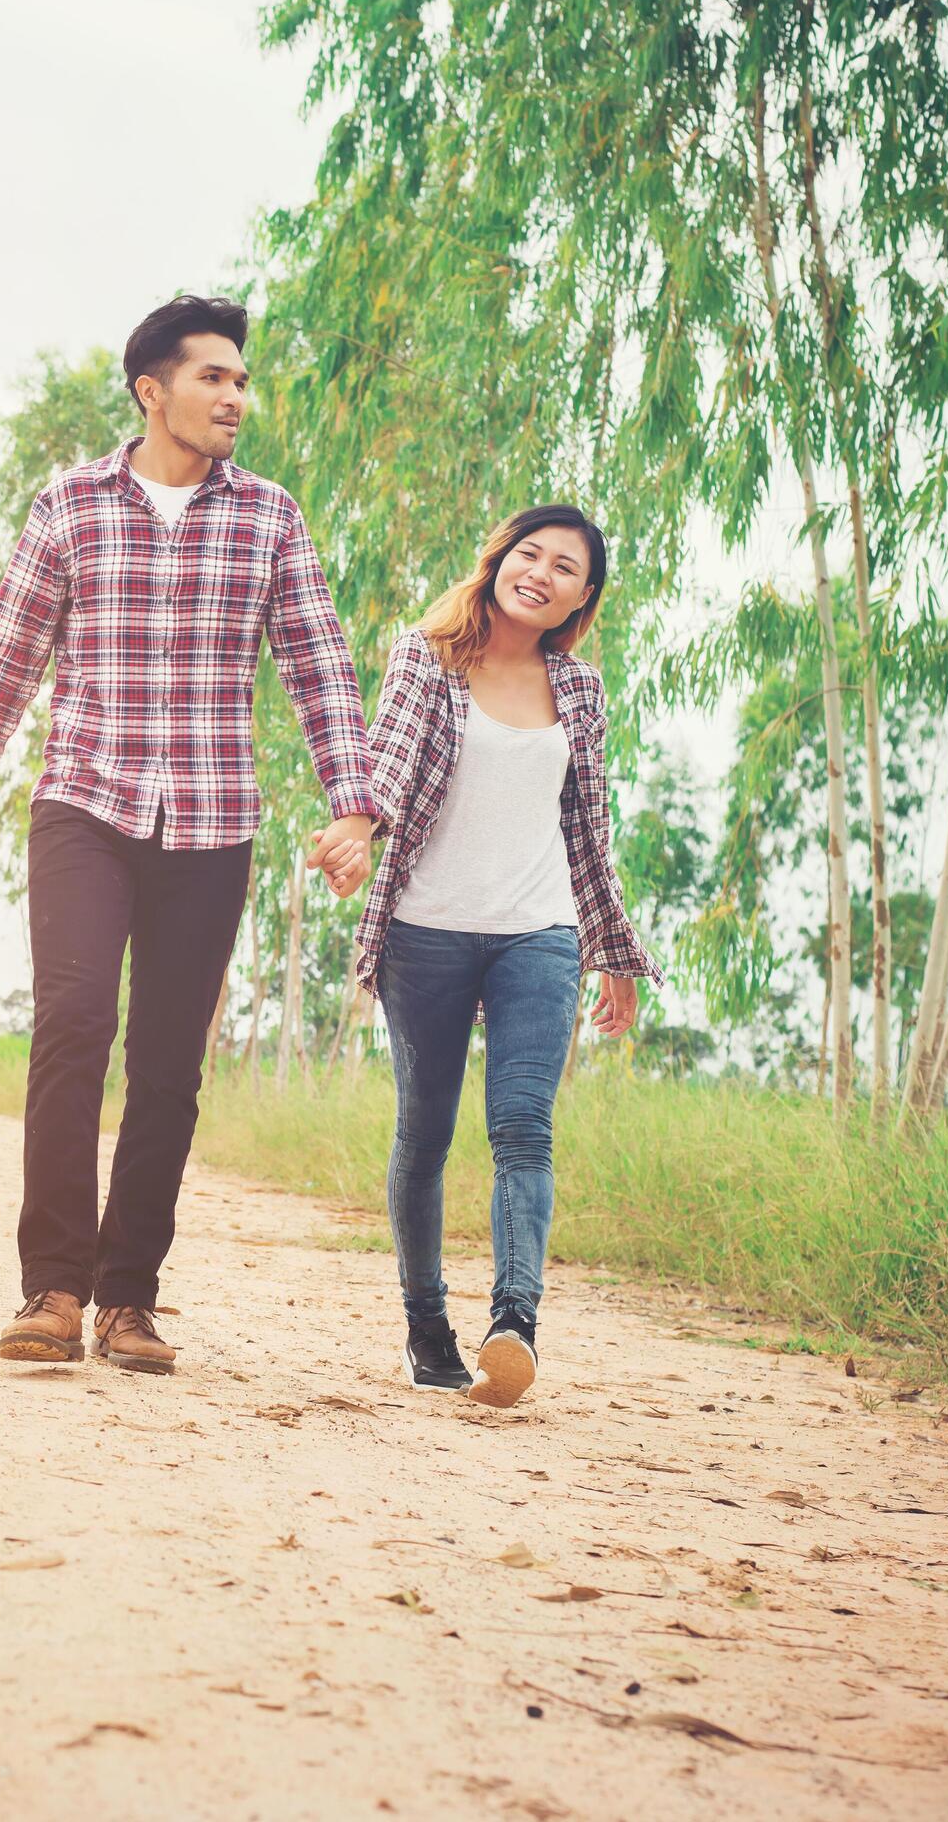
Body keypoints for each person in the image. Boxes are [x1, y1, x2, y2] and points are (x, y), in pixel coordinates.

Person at [0, 294, 378, 1375]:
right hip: (84, 803)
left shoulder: (269, 516)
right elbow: (6, 651)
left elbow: (319, 666)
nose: (236, 396)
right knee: (74, 1021)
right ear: (152, 390)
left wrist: (353, 801)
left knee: (170, 1063)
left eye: (241, 379)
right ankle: (54, 1287)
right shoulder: (72, 504)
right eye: (214, 377)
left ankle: (129, 1298)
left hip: (213, 816)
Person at [310, 505, 661, 1407]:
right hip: (425, 929)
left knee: (522, 1125)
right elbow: (385, 766)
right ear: (499, 561)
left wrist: (614, 951)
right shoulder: (426, 659)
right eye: (528, 554)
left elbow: (589, 831)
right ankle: (426, 1325)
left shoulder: (579, 692)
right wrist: (355, 829)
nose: (539, 573)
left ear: (583, 596)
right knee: (425, 1131)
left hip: (539, 932)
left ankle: (515, 1323)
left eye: (564, 567)